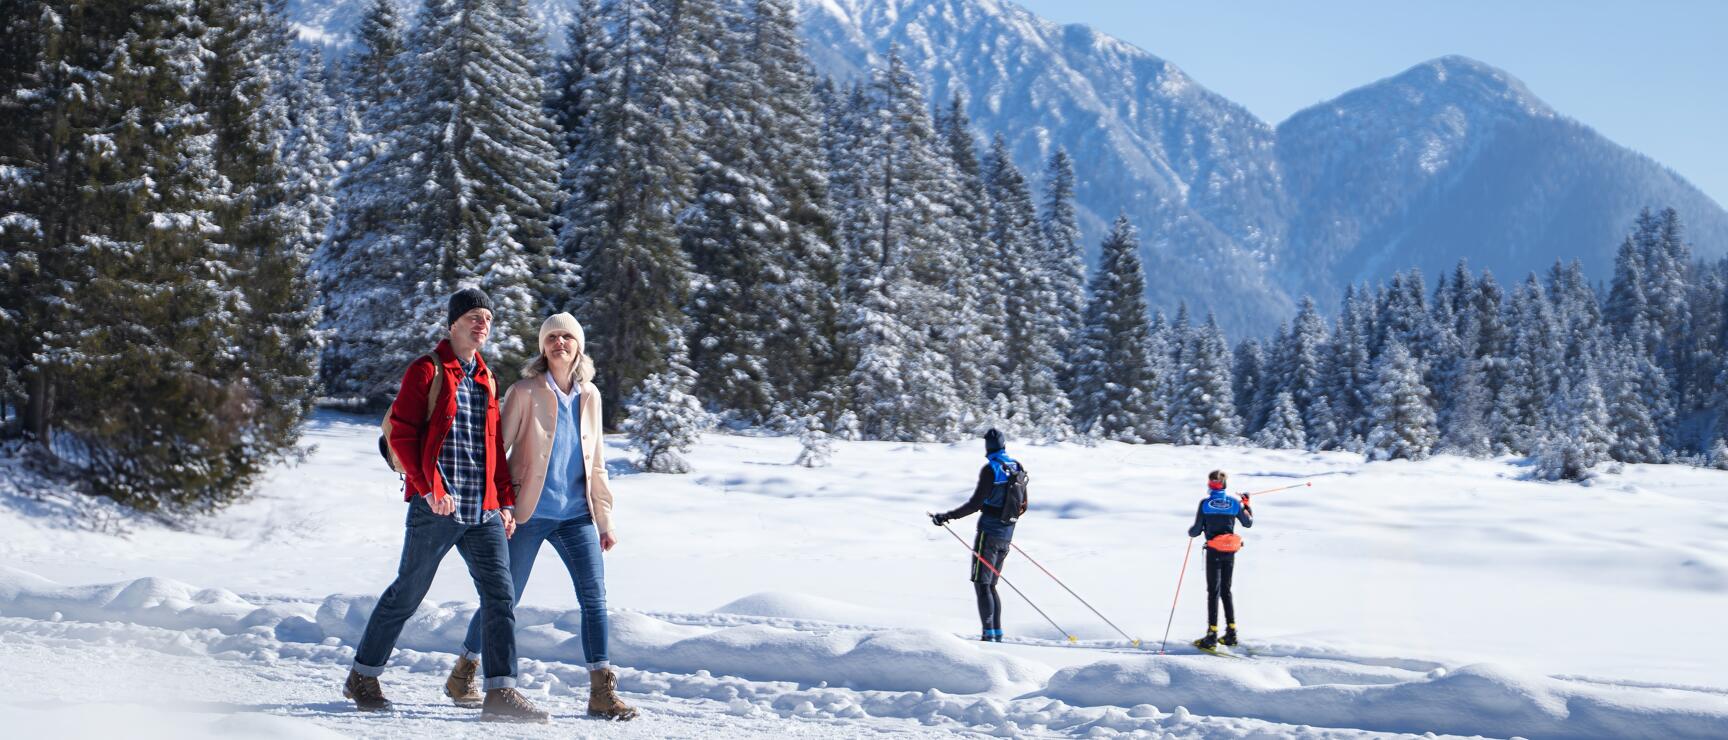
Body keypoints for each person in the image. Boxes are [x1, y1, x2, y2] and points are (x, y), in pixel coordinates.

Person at [344, 288, 549, 723]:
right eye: (474, 316)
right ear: (453, 323)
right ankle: (363, 676)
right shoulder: (427, 369)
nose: (482, 324)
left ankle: (500, 691)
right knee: (408, 592)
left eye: (487, 319)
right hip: (436, 507)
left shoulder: (486, 377)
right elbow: (403, 433)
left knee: (501, 597)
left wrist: (505, 501)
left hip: (483, 510)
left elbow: (493, 448)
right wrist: (428, 488)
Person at [443, 313, 638, 721]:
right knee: (504, 598)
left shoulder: (591, 396)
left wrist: (605, 521)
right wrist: (498, 504)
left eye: (567, 336)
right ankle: (464, 672)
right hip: (526, 515)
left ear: (578, 346)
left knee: (594, 599)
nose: (559, 342)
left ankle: (601, 692)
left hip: (577, 517)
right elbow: (496, 451)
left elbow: (596, 463)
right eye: (552, 337)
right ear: (543, 347)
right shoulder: (525, 392)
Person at [930, 428, 1025, 642]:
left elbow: (975, 504)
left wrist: (947, 516)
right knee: (991, 585)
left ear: (987, 447)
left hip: (988, 534)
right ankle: (996, 633)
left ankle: (988, 636)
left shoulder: (991, 469)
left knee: (982, 584)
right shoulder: (1016, 466)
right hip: (1006, 534)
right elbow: (1023, 504)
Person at [1188, 470, 1253, 650]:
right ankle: (1231, 633)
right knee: (1226, 590)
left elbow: (1195, 531)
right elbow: (1248, 523)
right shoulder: (1233, 503)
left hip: (1213, 552)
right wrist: (1246, 505)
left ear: (1210, 486)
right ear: (1224, 485)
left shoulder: (1205, 504)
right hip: (1229, 552)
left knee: (1213, 592)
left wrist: (1193, 532)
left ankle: (1212, 635)